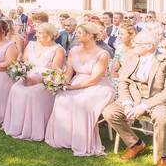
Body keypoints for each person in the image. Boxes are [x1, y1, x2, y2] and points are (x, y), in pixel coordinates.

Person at [102, 31, 166, 166]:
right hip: (132, 98)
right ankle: (135, 144)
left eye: (137, 44)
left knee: (162, 118)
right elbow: (123, 82)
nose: (133, 45)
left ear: (149, 46)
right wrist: (127, 103)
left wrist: (144, 106)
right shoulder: (131, 57)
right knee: (109, 112)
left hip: (158, 101)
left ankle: (163, 156)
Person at [44, 22, 114, 156]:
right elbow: (69, 72)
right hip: (77, 81)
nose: (77, 35)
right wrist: (61, 82)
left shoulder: (102, 54)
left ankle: (81, 140)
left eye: (80, 33)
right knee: (61, 97)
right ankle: (65, 138)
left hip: (98, 86)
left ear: (90, 35)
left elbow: (95, 79)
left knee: (81, 101)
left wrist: (74, 87)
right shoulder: (74, 50)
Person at [2, 22, 65, 141]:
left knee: (32, 93)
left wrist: (38, 80)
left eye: (40, 33)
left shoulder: (58, 49)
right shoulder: (31, 45)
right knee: (15, 88)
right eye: (37, 32)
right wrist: (23, 74)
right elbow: (25, 63)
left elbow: (55, 71)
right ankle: (17, 126)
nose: (37, 35)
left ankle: (33, 129)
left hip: (46, 80)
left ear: (50, 34)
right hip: (28, 75)